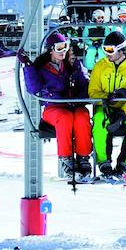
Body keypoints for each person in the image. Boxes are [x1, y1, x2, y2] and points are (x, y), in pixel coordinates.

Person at [20, 31, 93, 182]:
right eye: (59, 48)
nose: (63, 51)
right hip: (53, 108)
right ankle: (66, 159)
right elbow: (33, 88)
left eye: (65, 47)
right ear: (50, 50)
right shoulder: (42, 68)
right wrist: (28, 65)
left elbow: (85, 83)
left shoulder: (72, 64)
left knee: (82, 116)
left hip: (73, 105)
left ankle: (83, 157)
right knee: (65, 118)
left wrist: (79, 96)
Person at [88, 30, 126, 179]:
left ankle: (124, 163)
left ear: (121, 49)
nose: (107, 53)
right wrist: (108, 98)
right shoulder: (100, 66)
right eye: (105, 49)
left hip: (125, 112)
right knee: (99, 120)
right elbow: (93, 92)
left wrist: (122, 114)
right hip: (105, 109)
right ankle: (104, 162)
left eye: (110, 50)